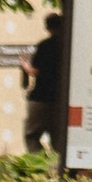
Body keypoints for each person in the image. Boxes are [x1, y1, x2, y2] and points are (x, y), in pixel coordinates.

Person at [21, 12, 63, 155]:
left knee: (32, 135)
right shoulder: (69, 46)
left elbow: (35, 71)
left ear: (48, 28)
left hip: (41, 97)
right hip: (61, 100)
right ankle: (57, 166)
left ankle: (39, 164)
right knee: (58, 138)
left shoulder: (45, 46)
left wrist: (25, 66)